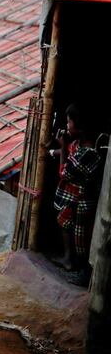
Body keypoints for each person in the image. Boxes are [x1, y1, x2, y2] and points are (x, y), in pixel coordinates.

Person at [51, 103, 103, 277]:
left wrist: (62, 146)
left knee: (82, 238)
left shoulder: (89, 152)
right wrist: (53, 151)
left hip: (82, 201)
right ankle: (68, 259)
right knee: (65, 222)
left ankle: (83, 272)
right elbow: (70, 152)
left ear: (80, 125)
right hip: (74, 197)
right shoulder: (80, 144)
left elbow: (64, 172)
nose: (67, 125)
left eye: (69, 122)